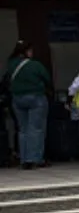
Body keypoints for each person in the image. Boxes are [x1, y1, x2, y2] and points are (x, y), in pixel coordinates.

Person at [4, 41, 52, 169]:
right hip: (35, 97)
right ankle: (35, 159)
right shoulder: (35, 65)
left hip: (17, 99)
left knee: (23, 129)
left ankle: (24, 159)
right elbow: (46, 78)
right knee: (36, 128)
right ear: (27, 51)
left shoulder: (11, 65)